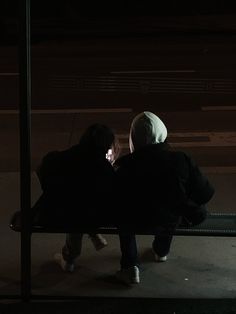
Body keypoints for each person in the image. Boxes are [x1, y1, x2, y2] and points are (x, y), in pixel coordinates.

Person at [114, 111, 215, 285]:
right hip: (167, 220)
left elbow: (114, 200)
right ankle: (161, 251)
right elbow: (206, 193)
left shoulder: (124, 166)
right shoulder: (179, 159)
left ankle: (130, 266)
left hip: (135, 220)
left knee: (123, 214)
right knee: (173, 209)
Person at [34, 123, 119, 272]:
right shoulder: (105, 169)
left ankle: (69, 257)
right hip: (94, 217)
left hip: (58, 213)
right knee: (82, 205)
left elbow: (44, 173)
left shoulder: (59, 159)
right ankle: (91, 234)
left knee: (74, 205)